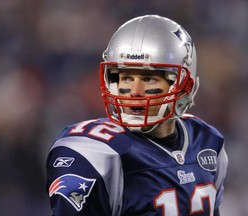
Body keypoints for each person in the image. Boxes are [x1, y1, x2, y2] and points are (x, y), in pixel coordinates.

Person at [46, 15, 228, 216]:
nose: (134, 91)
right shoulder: (94, 152)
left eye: (149, 78)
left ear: (184, 85)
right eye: (126, 77)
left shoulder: (206, 140)